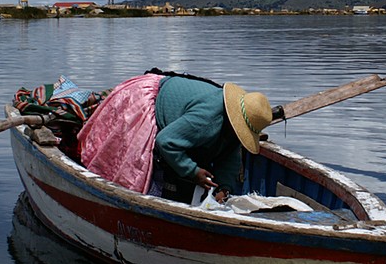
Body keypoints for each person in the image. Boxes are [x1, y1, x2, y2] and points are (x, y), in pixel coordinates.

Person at [77, 70, 272, 202]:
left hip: (177, 117)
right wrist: (192, 171)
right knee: (132, 170)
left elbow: (229, 158)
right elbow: (166, 141)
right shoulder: (207, 118)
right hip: (146, 100)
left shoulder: (231, 130)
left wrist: (224, 188)